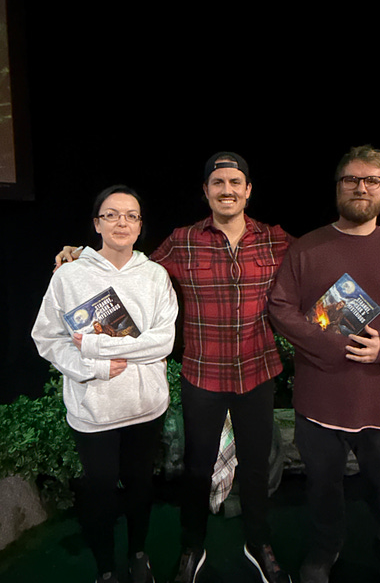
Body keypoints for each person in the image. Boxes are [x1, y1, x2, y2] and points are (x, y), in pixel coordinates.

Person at [55, 153, 294, 583]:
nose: (227, 189)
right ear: (206, 191)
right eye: (217, 182)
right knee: (197, 469)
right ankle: (192, 545)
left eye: (235, 182)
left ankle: (258, 542)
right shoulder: (182, 241)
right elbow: (130, 264)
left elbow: (322, 262)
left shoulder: (277, 241)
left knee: (257, 466)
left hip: (258, 371)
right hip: (202, 373)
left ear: (248, 190)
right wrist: (80, 254)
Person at [267, 145, 380, 583]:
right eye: (351, 179)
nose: (360, 187)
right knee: (322, 492)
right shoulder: (307, 248)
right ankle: (324, 553)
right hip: (319, 405)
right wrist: (330, 344)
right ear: (338, 185)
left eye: (372, 180)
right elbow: (281, 308)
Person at [32, 185, 179, 583]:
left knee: (139, 488)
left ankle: (138, 554)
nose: (122, 222)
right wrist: (91, 368)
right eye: (111, 214)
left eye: (131, 215)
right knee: (98, 492)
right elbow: (47, 338)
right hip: (93, 410)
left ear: (140, 226)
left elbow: (163, 342)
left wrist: (95, 344)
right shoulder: (70, 275)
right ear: (97, 223)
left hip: (146, 405)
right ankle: (105, 568)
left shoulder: (155, 275)